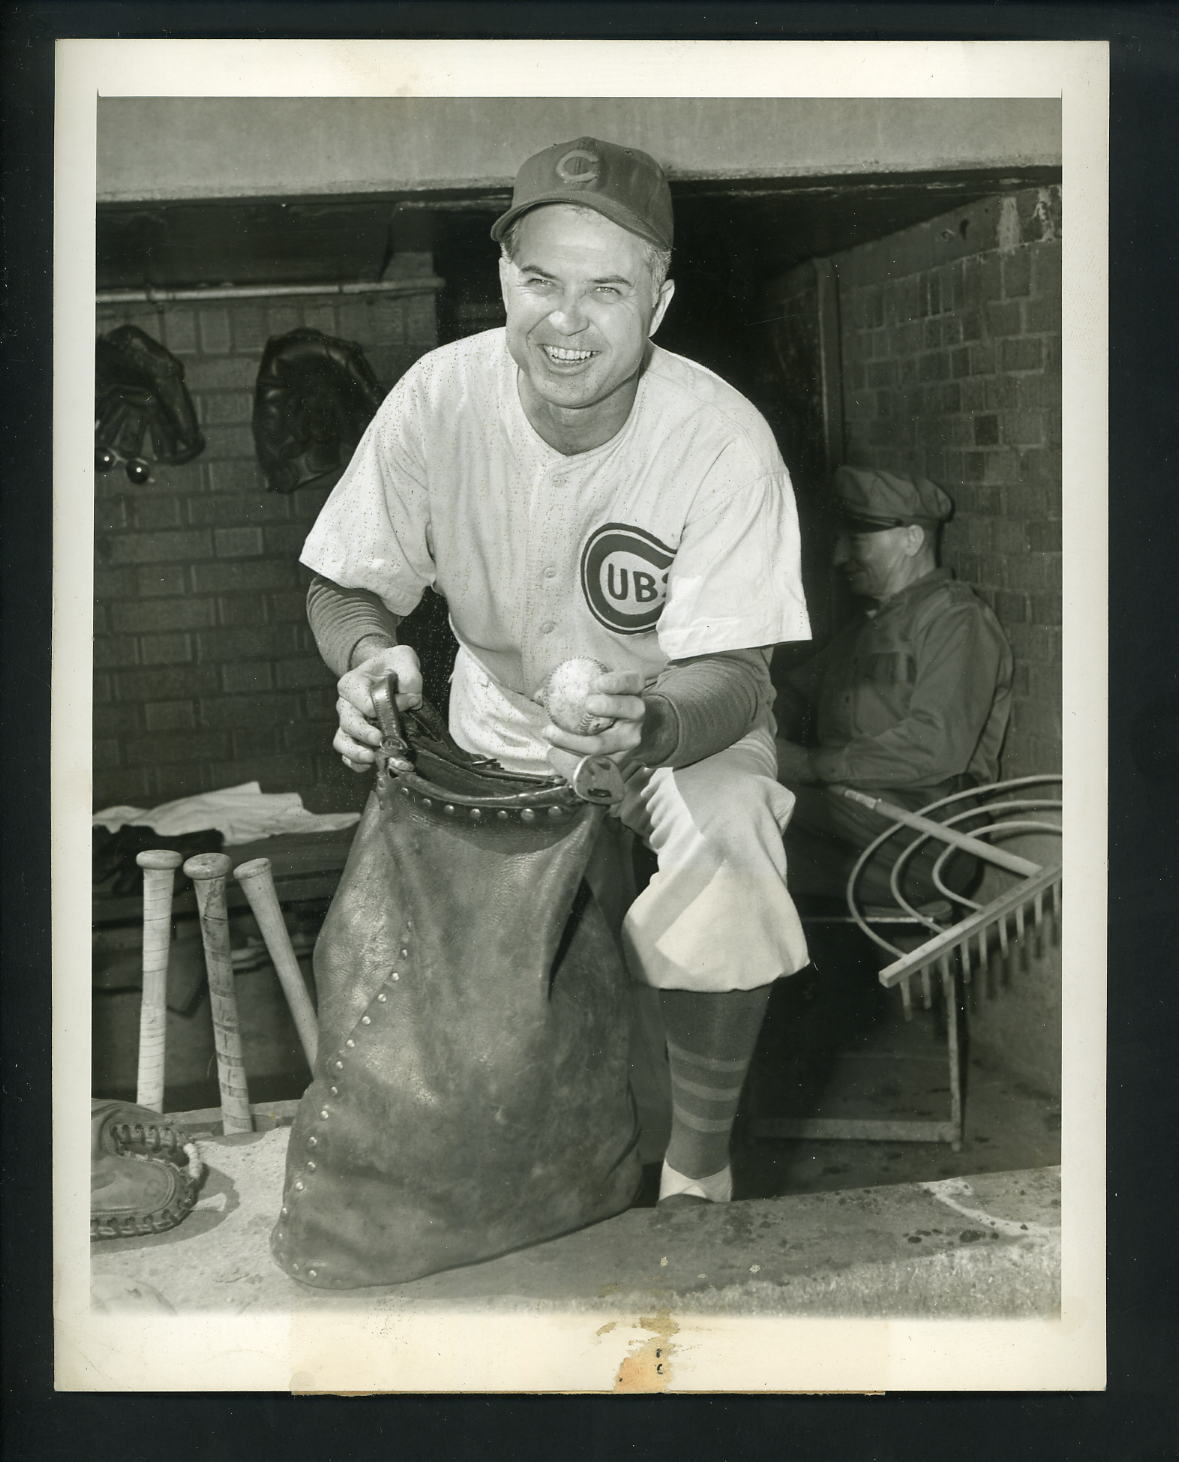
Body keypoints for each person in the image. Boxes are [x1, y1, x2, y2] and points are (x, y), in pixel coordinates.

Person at [298, 135, 812, 1205]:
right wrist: (367, 657)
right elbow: (344, 583)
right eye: (541, 281)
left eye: (606, 289)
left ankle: (698, 1168)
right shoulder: (438, 399)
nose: (565, 320)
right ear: (504, 281)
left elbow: (740, 677)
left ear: (658, 304)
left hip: (676, 710)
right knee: (472, 966)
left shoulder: (720, 439)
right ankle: (506, 1178)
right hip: (500, 710)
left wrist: (651, 730)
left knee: (732, 839)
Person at [774, 465, 1013, 906]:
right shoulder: (867, 628)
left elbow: (934, 745)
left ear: (912, 540)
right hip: (858, 819)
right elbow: (791, 690)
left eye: (858, 540)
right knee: (728, 820)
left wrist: (807, 764)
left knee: (744, 823)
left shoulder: (956, 621)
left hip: (924, 837)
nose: (839, 557)